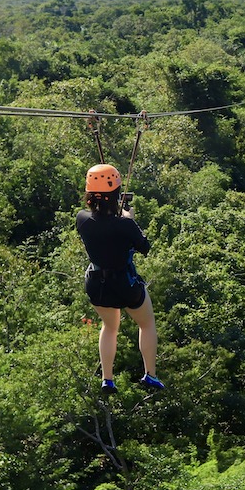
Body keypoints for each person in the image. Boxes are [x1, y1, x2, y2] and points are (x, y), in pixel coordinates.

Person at [76, 163, 164, 394]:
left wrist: (121, 218)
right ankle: (150, 375)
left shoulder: (82, 219)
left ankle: (108, 379)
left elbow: (102, 223)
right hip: (125, 285)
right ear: (116, 195)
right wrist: (129, 218)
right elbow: (144, 246)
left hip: (97, 286)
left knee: (109, 326)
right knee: (146, 323)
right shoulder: (125, 224)